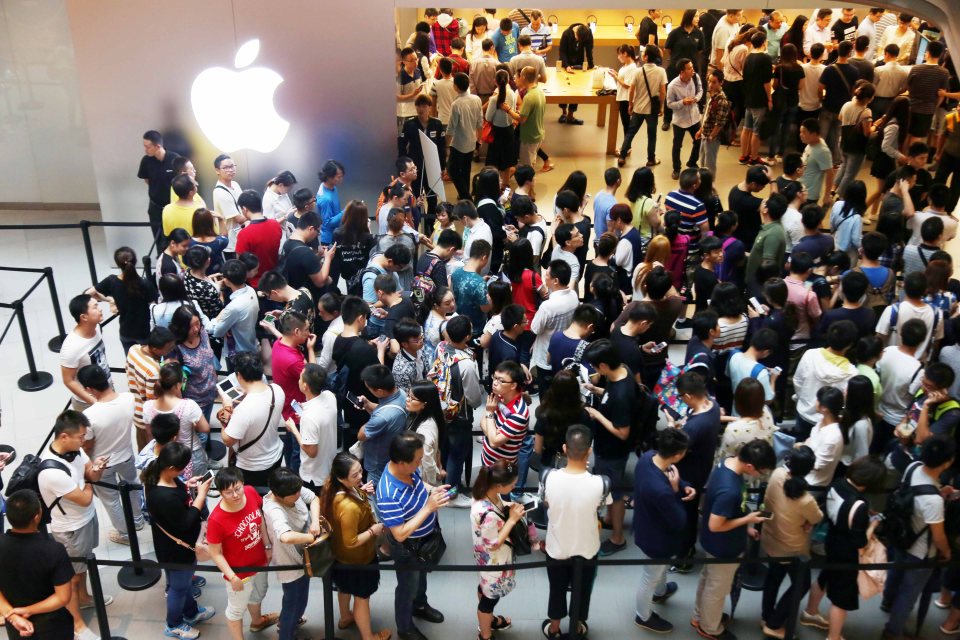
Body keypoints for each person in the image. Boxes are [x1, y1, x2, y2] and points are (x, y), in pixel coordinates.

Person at [694, 439, 777, 640]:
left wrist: (746, 526)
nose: (762, 475)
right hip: (723, 546)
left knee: (709, 581)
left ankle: (701, 616)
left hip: (715, 542)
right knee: (717, 589)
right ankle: (709, 627)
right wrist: (748, 520)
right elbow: (716, 524)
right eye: (762, 471)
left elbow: (726, 514)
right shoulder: (730, 490)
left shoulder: (727, 463)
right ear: (750, 466)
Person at [38, 410, 110, 640]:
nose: (84, 441)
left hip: (86, 519)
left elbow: (91, 476)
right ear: (63, 437)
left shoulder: (76, 450)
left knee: (83, 566)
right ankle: (77, 625)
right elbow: (85, 497)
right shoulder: (51, 471)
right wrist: (89, 480)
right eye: (80, 436)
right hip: (70, 528)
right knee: (71, 576)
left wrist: (95, 470)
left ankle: (86, 598)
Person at [802, 454, 887, 639]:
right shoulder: (859, 504)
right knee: (841, 598)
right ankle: (833, 636)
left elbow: (829, 508)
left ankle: (810, 612)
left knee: (824, 577)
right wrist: (873, 525)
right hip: (847, 554)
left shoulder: (838, 483)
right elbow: (860, 542)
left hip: (832, 542)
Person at [539, 424, 611, 640]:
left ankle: (554, 628)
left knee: (557, 588)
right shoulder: (601, 483)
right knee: (583, 589)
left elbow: (546, 504)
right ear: (589, 450)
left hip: (557, 545)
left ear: (564, 448)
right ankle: (578, 626)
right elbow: (601, 508)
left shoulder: (548, 477)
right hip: (587, 547)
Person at [377, 432, 450, 640]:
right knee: (407, 586)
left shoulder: (408, 470)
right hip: (408, 546)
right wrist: (429, 508)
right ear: (401, 462)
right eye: (417, 461)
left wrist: (433, 490)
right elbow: (399, 534)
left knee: (421, 577)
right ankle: (405, 627)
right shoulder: (388, 493)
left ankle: (420, 604)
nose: (420, 465)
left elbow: (420, 485)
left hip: (423, 541)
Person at [142, 442, 216, 640]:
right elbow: (186, 522)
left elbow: (179, 495)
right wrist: (201, 496)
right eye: (182, 468)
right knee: (178, 587)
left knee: (182, 584)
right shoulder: (163, 496)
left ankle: (191, 613)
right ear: (172, 468)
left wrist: (188, 484)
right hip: (176, 550)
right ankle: (173, 624)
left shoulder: (159, 475)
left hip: (175, 547)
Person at [633, 428, 697, 633]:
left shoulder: (647, 458)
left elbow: (669, 478)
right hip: (658, 538)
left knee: (657, 571)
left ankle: (660, 592)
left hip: (645, 526)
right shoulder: (661, 490)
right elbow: (679, 520)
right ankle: (643, 615)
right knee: (650, 576)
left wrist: (683, 484)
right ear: (677, 455)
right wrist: (677, 490)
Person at [322, 452, 390, 640]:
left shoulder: (333, 488)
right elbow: (351, 542)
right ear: (341, 478)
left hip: (341, 557)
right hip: (358, 559)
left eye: (360, 471)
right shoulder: (349, 508)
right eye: (355, 475)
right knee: (362, 597)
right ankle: (369, 637)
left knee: (344, 587)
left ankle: (345, 617)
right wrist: (373, 531)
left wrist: (361, 491)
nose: (361, 476)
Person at [206, 467, 279, 639]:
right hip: (240, 573)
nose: (236, 495)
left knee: (258, 593)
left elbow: (259, 516)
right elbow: (215, 552)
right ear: (221, 493)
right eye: (229, 492)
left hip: (260, 561)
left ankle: (257, 621)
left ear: (243, 484)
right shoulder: (216, 520)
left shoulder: (250, 492)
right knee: (236, 609)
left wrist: (267, 545)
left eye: (237, 488)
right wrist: (232, 576)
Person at [578, 339, 635, 556]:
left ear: (603, 366)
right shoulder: (620, 373)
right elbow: (610, 394)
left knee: (616, 493)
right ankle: (611, 519)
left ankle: (617, 537)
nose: (593, 370)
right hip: (606, 447)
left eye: (594, 367)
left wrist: (598, 415)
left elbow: (623, 432)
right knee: (610, 489)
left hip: (613, 450)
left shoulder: (622, 394)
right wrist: (595, 389)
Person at [760, 446, 822, 639]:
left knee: (773, 577)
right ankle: (774, 623)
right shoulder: (805, 499)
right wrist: (807, 523)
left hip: (770, 536)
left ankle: (766, 615)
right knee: (801, 584)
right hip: (792, 548)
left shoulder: (777, 474)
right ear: (810, 470)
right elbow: (817, 518)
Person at [77, 365, 142, 545]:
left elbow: (88, 445)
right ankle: (138, 520)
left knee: (110, 499)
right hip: (126, 455)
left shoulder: (89, 415)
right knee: (132, 486)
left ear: (89, 389)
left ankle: (125, 533)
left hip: (102, 463)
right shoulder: (129, 398)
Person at [0, 490, 75, 640]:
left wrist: (12, 615)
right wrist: (27, 610)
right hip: (52, 625)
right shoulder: (54, 550)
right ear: (37, 516)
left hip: (17, 626)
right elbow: (63, 597)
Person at [262, 467, 322, 640]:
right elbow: (285, 537)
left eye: (298, 490)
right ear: (278, 495)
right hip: (289, 560)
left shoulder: (291, 486)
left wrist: (315, 522)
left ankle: (291, 621)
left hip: (303, 555)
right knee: (293, 599)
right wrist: (311, 538)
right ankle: (286, 633)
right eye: (294, 494)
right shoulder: (274, 509)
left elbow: (314, 498)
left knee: (299, 596)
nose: (298, 494)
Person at [471, 460, 526, 640]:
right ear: (500, 485)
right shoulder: (487, 513)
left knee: (485, 590)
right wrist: (511, 520)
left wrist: (508, 510)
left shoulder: (485, 494)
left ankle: (489, 621)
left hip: (485, 561)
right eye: (512, 484)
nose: (514, 486)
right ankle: (485, 634)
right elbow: (492, 544)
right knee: (488, 601)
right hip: (493, 563)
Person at [220, 352, 284, 488]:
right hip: (276, 454)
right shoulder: (277, 390)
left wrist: (226, 408)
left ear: (239, 376)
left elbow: (228, 440)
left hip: (252, 466)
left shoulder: (243, 410)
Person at [85, 246, 153, 354]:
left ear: (118, 264)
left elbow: (88, 293)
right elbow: (152, 301)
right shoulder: (144, 283)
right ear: (135, 262)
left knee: (130, 361)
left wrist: (109, 300)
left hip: (125, 331)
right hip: (143, 331)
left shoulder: (111, 281)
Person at [877, 271, 944, 361]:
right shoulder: (937, 313)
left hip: (891, 361)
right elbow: (936, 343)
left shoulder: (893, 310)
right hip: (919, 366)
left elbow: (879, 338)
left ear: (904, 286)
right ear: (925, 290)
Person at [530, 260, 578, 385]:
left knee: (545, 391)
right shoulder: (574, 296)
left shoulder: (548, 306)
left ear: (555, 281)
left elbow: (535, 329)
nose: (544, 277)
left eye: (547, 275)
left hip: (546, 353)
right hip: (563, 351)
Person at [619, 44, 667, 167]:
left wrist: (630, 104)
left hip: (638, 108)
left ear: (645, 57)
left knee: (630, 133)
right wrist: (661, 107)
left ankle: (622, 156)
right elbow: (662, 92)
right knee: (652, 135)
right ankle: (651, 159)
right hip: (652, 110)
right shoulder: (661, 72)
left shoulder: (638, 71)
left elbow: (631, 90)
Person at [60, 294, 109, 411]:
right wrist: (94, 401)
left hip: (105, 389)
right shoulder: (71, 347)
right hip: (88, 402)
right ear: (84, 317)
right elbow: (68, 380)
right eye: (95, 307)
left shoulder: (97, 327)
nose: (100, 309)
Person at [207, 259, 260, 362]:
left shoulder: (233, 307)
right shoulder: (251, 290)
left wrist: (220, 316)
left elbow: (217, 332)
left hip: (238, 353)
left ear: (226, 281)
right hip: (250, 342)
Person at [817, 40, 860, 168]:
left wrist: (821, 100)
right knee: (836, 137)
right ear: (849, 52)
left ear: (838, 51)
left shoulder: (829, 69)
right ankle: (836, 161)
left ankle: (818, 161)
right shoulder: (854, 71)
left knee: (822, 136)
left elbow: (820, 88)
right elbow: (854, 91)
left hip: (828, 106)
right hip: (842, 109)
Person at [138, 129, 181, 245]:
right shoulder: (146, 161)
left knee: (177, 238)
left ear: (157, 146)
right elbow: (147, 180)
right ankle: (162, 260)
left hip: (174, 206)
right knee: (159, 240)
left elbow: (182, 180)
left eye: (148, 147)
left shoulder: (174, 159)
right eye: (144, 146)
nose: (145, 149)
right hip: (155, 207)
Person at [446, 73, 483, 200]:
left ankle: (465, 196)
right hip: (472, 141)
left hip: (458, 143)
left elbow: (451, 127)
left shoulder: (456, 104)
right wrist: (479, 138)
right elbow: (480, 121)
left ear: (455, 86)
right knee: (466, 170)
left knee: (453, 170)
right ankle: (465, 193)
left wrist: (446, 145)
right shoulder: (476, 99)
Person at [666, 58, 703, 180]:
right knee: (677, 145)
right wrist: (682, 102)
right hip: (680, 121)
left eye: (692, 67)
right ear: (682, 71)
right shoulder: (672, 86)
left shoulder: (695, 77)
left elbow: (700, 90)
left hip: (694, 117)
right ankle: (676, 169)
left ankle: (692, 162)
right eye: (689, 68)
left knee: (699, 140)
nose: (692, 70)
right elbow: (669, 104)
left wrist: (696, 99)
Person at [740, 31, 773, 166]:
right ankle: (754, 158)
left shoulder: (748, 57)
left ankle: (743, 156)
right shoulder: (765, 58)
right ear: (764, 42)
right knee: (756, 130)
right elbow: (766, 82)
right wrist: (769, 99)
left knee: (746, 128)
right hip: (759, 98)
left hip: (749, 97)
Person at [504, 66, 546, 168]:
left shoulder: (529, 97)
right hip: (538, 133)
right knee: (531, 161)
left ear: (523, 77)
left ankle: (528, 182)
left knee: (527, 167)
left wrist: (508, 110)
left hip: (529, 137)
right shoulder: (540, 92)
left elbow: (522, 120)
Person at [451, 239, 492, 338]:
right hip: (475, 330)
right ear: (484, 257)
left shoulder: (456, 272)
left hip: (459, 323)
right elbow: (485, 308)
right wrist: (492, 297)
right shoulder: (479, 283)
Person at [745, 192, 788, 285]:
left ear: (765, 210)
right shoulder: (769, 228)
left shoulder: (773, 234)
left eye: (765, 201)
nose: (762, 201)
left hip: (759, 285)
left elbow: (768, 267)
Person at [557, 24, 594, 124]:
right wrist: (566, 65)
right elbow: (562, 52)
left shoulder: (587, 33)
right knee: (564, 88)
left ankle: (571, 115)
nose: (578, 40)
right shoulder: (566, 33)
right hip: (566, 62)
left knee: (577, 89)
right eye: (577, 37)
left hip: (578, 63)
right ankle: (564, 113)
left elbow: (589, 50)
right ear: (576, 32)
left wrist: (591, 65)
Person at [728, 165, 770, 251]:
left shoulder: (734, 189)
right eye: (762, 186)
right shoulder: (748, 202)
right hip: (748, 242)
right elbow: (775, 203)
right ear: (753, 184)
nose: (763, 188)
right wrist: (773, 181)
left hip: (738, 234)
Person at [698, 69, 732, 175]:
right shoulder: (711, 96)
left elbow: (719, 123)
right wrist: (701, 130)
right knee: (702, 161)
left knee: (709, 164)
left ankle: (709, 186)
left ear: (721, 83)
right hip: (705, 134)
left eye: (714, 82)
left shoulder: (722, 101)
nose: (710, 84)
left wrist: (711, 137)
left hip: (712, 138)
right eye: (709, 81)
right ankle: (702, 183)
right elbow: (706, 115)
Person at [211, 154, 243, 256]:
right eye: (225, 167)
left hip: (241, 236)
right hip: (231, 243)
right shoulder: (220, 192)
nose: (230, 170)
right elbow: (238, 219)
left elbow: (243, 206)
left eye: (232, 166)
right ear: (217, 171)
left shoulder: (235, 184)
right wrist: (255, 216)